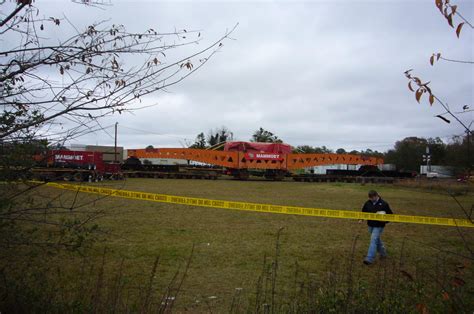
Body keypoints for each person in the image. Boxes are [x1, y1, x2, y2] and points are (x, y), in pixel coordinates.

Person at [360, 190, 393, 265]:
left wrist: (384, 220)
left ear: (376, 196)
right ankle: (383, 254)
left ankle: (369, 258)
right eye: (370, 198)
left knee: (373, 240)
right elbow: (363, 212)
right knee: (376, 240)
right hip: (370, 225)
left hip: (379, 226)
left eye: (372, 198)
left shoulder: (384, 204)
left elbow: (391, 215)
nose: (371, 199)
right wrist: (361, 219)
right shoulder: (367, 203)